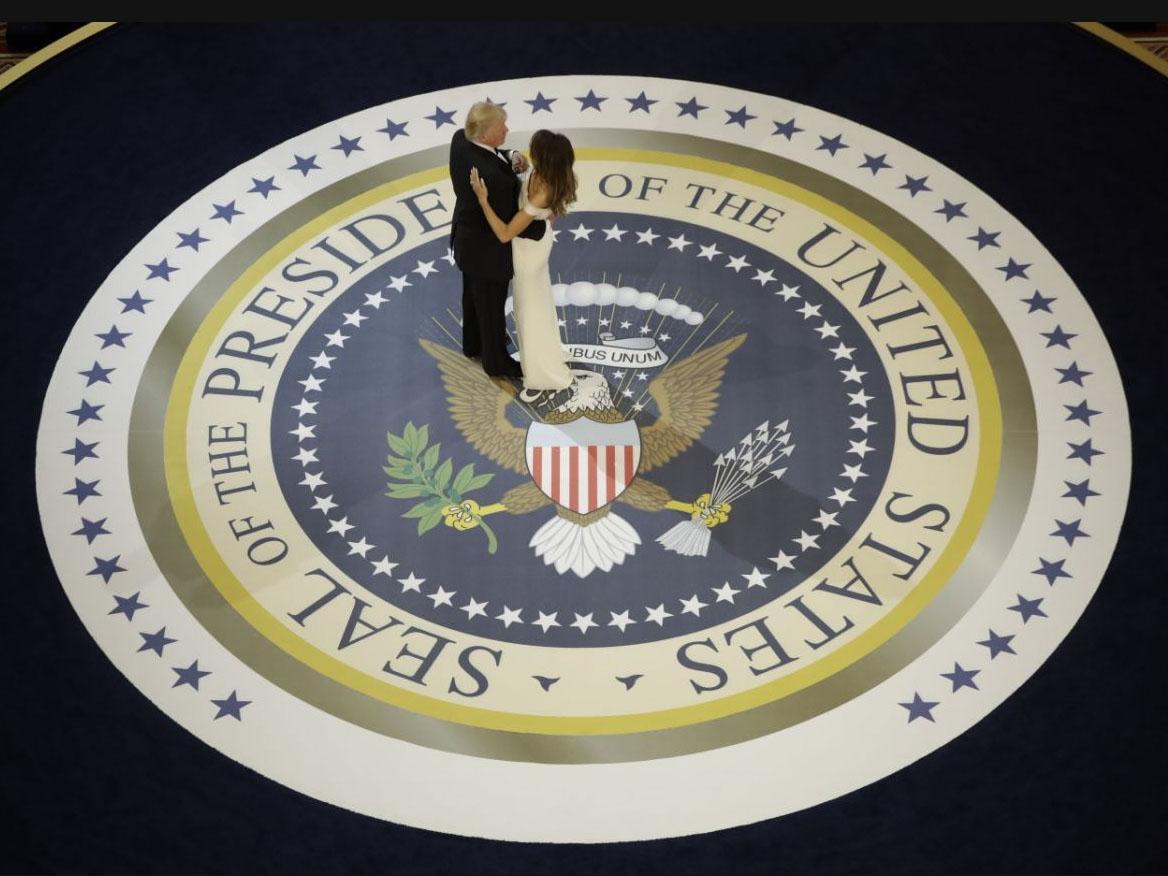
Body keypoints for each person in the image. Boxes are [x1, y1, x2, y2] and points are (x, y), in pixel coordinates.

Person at [469, 129, 577, 404]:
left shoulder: (542, 192)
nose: (530, 148)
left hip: (528, 255)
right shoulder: (551, 174)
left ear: (545, 157)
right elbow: (549, 217)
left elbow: (505, 233)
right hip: (535, 243)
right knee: (539, 302)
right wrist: (524, 169)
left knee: (529, 311)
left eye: (535, 148)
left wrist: (483, 200)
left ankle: (544, 373)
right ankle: (548, 354)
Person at [448, 101, 546, 380]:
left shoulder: (460, 140)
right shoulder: (495, 180)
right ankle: (496, 363)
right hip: (488, 252)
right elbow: (509, 223)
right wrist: (539, 227)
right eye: (501, 128)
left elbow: (491, 154)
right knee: (491, 308)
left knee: (472, 297)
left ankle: (472, 344)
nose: (507, 130)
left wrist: (510, 154)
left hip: (467, 242)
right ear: (483, 134)